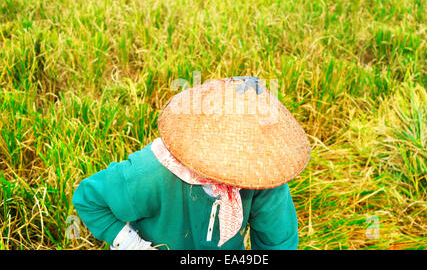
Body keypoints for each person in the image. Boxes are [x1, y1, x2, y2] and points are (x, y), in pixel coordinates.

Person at [72, 77, 311, 250]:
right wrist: (132, 244)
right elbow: (89, 199)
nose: (237, 173)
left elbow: (279, 242)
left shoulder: (263, 177)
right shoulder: (153, 171)